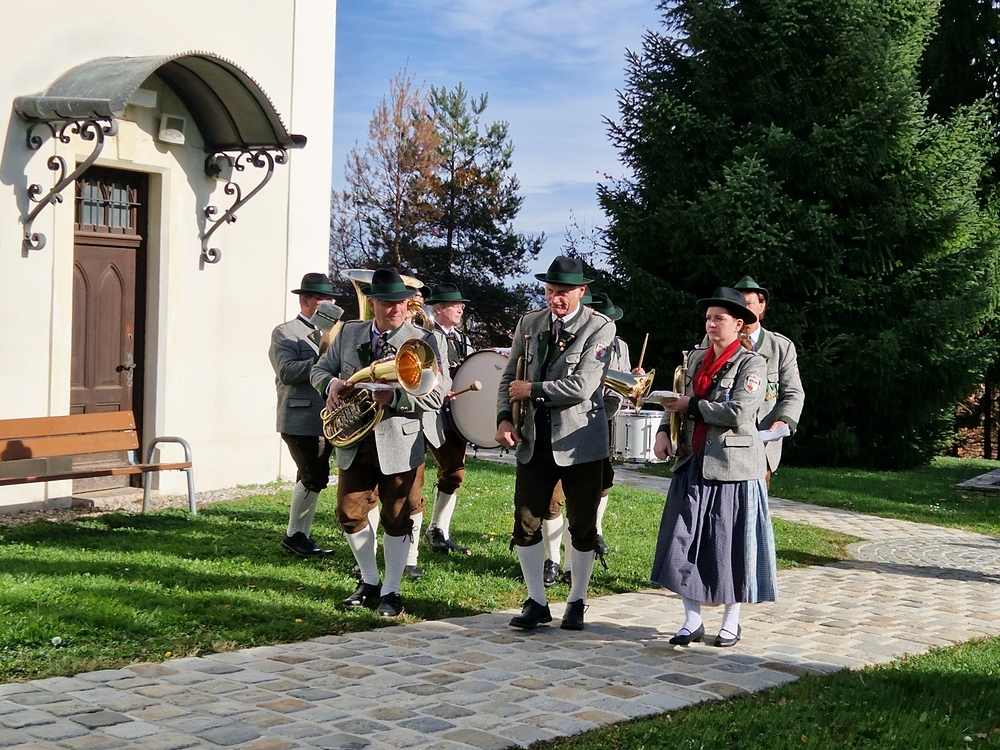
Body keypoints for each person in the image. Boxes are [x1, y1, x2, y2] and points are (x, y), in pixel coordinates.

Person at [311, 268, 449, 618]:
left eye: (401, 302)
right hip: (355, 439)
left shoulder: (426, 340)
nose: (395, 308)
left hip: (400, 440)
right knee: (349, 512)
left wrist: (396, 398)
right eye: (387, 302)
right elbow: (319, 370)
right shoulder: (349, 333)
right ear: (372, 304)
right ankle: (370, 580)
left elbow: (437, 396)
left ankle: (392, 590)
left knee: (397, 516)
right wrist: (331, 385)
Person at [652, 286, 777, 648]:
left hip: (732, 467)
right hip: (692, 461)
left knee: (728, 546)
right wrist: (664, 431)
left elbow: (739, 412)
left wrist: (690, 405)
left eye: (719, 318)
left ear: (738, 324)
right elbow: (678, 400)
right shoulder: (694, 359)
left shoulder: (752, 363)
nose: (711, 324)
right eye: (708, 318)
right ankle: (691, 620)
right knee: (682, 541)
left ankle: (731, 622)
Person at [496, 256, 615, 631]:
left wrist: (531, 390)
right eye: (549, 291)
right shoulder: (529, 323)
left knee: (582, 525)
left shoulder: (600, 327)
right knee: (525, 521)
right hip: (535, 439)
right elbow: (509, 377)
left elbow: (583, 386)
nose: (554, 299)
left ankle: (577, 600)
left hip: (581, 442)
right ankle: (537, 600)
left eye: (562, 292)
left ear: (581, 291)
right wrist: (503, 417)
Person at [541, 292, 631, 585]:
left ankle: (572, 565)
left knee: (584, 504)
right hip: (557, 426)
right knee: (552, 501)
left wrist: (599, 416)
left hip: (593, 429)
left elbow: (619, 388)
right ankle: (552, 560)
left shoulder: (619, 345)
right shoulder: (560, 334)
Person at [269, 272, 340, 556]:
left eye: (330, 298)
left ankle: (300, 534)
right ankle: (295, 535)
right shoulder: (286, 332)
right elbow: (286, 372)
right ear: (305, 301)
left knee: (311, 475)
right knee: (314, 475)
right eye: (322, 299)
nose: (329, 304)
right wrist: (323, 359)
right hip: (300, 418)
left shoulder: (338, 332)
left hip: (330, 417)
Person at [732, 276, 804, 487]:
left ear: (761, 306)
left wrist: (784, 421)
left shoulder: (781, 347)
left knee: (755, 502)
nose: (742, 310)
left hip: (762, 443)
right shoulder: (716, 340)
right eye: (737, 305)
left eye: (748, 304)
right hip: (723, 442)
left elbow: (794, 393)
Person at [421, 282, 475, 555]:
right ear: (438, 309)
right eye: (455, 305)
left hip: (455, 417)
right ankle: (417, 531)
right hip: (429, 413)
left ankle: (439, 529)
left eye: (461, 305)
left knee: (454, 474)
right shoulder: (425, 337)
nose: (461, 309)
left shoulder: (463, 339)